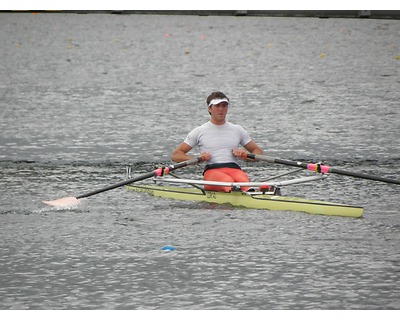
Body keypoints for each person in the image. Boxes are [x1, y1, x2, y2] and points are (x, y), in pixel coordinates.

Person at [171, 91, 263, 192]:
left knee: (244, 182)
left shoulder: (238, 129)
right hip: (212, 172)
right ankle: (236, 192)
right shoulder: (199, 131)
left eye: (224, 106)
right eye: (217, 106)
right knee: (228, 181)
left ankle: (249, 193)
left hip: (235, 169)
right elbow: (176, 155)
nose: (221, 109)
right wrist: (197, 159)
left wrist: (245, 156)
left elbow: (257, 152)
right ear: (209, 109)